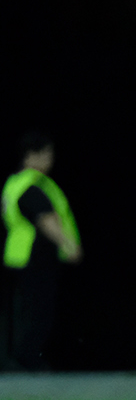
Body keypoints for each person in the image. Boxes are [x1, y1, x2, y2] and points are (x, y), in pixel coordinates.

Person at [2, 131, 81, 370]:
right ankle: (28, 360)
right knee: (37, 311)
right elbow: (45, 219)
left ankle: (20, 359)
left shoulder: (13, 183)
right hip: (34, 257)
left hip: (16, 255)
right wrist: (68, 245)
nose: (50, 160)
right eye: (46, 154)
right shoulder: (32, 186)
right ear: (31, 156)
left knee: (21, 311)